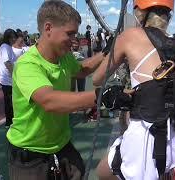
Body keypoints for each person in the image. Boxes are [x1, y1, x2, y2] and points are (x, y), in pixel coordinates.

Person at [93, 0, 175, 179]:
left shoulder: (129, 37)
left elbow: (98, 78)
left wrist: (112, 50)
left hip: (142, 149)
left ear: (139, 13)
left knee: (102, 172)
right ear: (169, 16)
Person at [6, 1, 107, 179]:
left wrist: (107, 52)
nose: (74, 40)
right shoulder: (28, 64)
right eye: (70, 34)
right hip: (30, 155)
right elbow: (49, 101)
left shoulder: (64, 57)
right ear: (48, 28)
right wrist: (104, 96)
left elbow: (82, 69)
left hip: (61, 146)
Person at [0, 29, 17, 128]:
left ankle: (10, 121)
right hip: (6, 80)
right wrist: (15, 76)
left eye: (15, 37)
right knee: (9, 102)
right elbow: (7, 62)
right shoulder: (5, 47)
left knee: (11, 101)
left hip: (9, 79)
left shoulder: (9, 47)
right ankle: (9, 123)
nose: (14, 39)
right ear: (8, 38)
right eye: (12, 37)